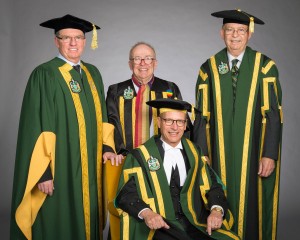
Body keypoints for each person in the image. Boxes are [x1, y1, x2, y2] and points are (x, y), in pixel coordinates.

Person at [10, 14, 119, 240]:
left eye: (78, 38)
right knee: (58, 219)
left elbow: (102, 120)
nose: (73, 43)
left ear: (85, 41)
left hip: (91, 165)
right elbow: (34, 125)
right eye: (66, 38)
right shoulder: (45, 74)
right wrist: (43, 172)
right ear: (56, 41)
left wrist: (107, 147)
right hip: (60, 166)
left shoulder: (92, 74)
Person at [193, 9, 283, 240]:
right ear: (221, 32)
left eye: (241, 30)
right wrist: (202, 156)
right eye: (230, 30)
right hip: (219, 153)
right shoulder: (209, 68)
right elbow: (201, 116)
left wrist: (269, 153)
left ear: (249, 34)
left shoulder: (264, 67)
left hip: (254, 151)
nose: (235, 35)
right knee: (217, 195)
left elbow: (273, 114)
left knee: (252, 203)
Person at [114, 98, 239, 240]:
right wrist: (147, 213)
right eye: (169, 121)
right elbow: (127, 194)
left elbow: (214, 186)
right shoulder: (140, 155)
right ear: (159, 122)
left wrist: (217, 210)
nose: (175, 127)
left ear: (185, 125)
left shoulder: (195, 152)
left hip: (194, 221)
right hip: (161, 225)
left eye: (180, 121)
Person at [104, 42, 190, 239]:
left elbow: (182, 125)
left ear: (155, 63)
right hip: (128, 163)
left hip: (162, 164)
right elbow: (108, 124)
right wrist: (110, 149)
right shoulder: (116, 90)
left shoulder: (169, 88)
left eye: (148, 58)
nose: (143, 63)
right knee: (130, 208)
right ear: (130, 63)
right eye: (137, 58)